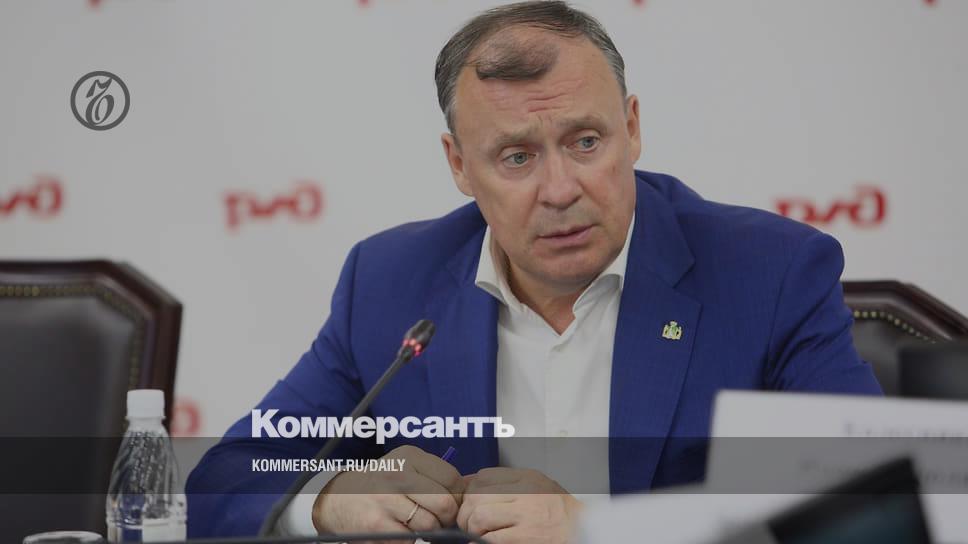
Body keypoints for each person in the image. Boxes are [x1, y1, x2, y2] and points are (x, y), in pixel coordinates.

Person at [186, 1, 882, 541]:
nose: (560, 189)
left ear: (632, 128)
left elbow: (872, 504)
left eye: (586, 142)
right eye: (517, 157)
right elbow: (227, 477)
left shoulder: (770, 272)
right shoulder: (391, 282)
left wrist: (603, 532)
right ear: (460, 165)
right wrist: (327, 499)